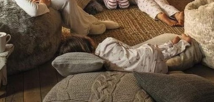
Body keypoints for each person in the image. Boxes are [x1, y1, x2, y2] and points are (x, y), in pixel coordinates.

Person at [58, 34, 193, 73]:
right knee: (146, 50)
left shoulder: (100, 66)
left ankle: (171, 44)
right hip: (152, 55)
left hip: (158, 71)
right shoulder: (107, 41)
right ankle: (182, 44)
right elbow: (132, 50)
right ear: (87, 41)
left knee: (146, 55)